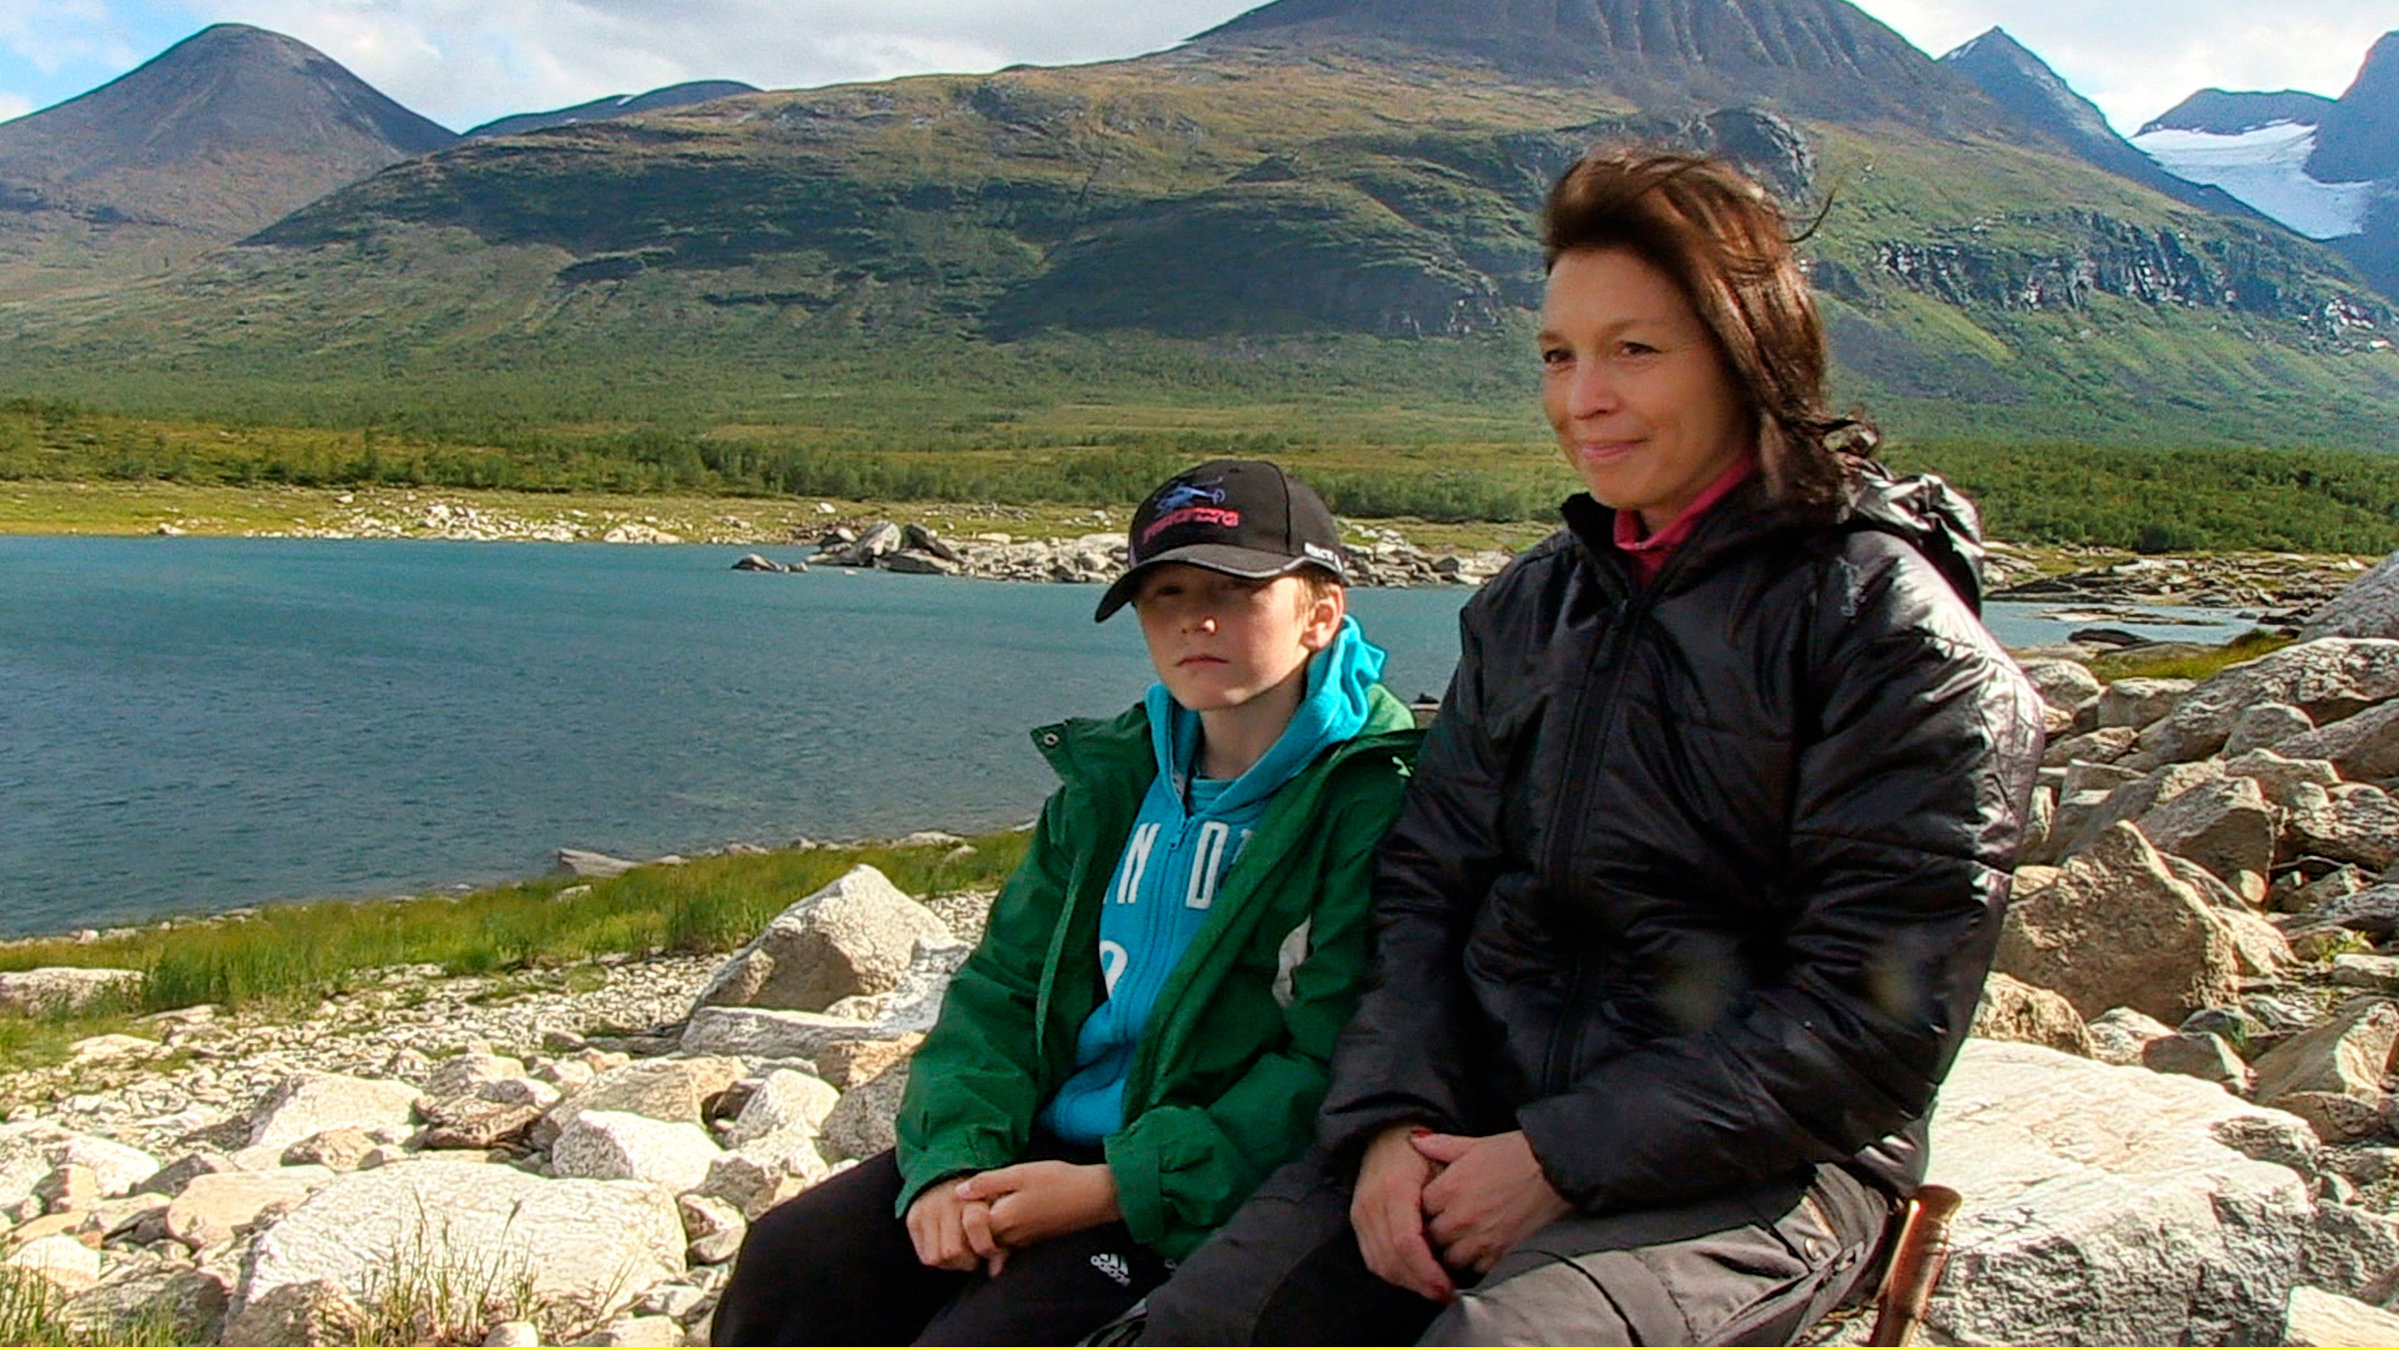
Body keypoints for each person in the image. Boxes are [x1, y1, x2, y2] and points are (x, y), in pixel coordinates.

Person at [1136, 150, 2047, 1345]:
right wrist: (1389, 1124)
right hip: (1478, 1116)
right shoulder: (1531, 607)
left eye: (1634, 351)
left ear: (1746, 355)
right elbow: (1424, 891)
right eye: (1558, 357)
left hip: (1761, 1167)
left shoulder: (1888, 637)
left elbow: (1872, 1016)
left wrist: (1560, 1158)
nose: (1582, 400)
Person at [710, 459, 1423, 1346]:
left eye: (1233, 591)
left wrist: (1115, 1186)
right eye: (1162, 594)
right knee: (793, 1262)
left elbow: (1332, 1055)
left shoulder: (1371, 794)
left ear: (1320, 613)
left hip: (1194, 1176)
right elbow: (1002, 986)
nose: (1192, 619)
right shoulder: (1112, 774)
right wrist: (949, 1163)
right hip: (1039, 1143)